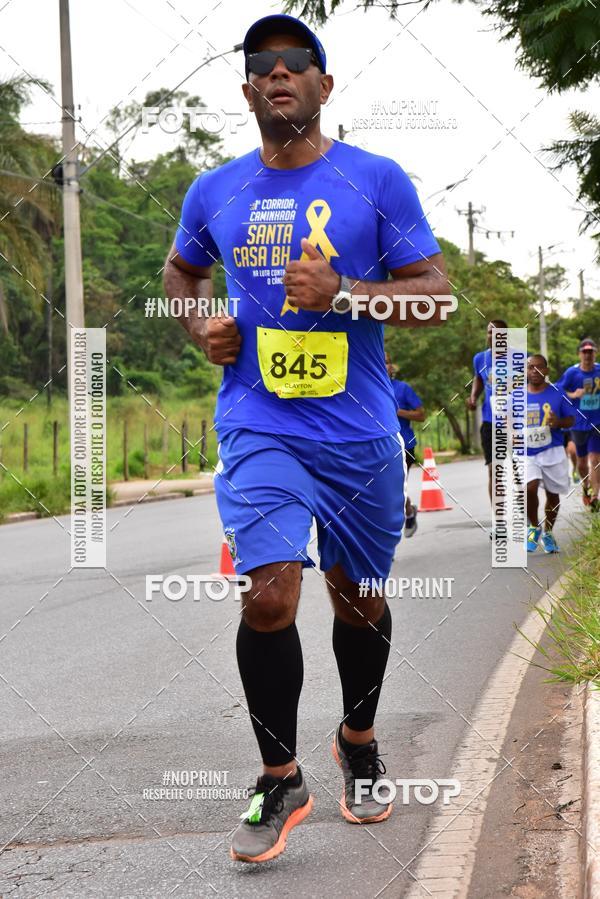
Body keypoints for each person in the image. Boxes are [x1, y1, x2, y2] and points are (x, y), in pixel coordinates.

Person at [163, 13, 451, 864]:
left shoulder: (378, 180)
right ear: (247, 89)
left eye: (299, 62)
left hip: (359, 432)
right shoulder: (213, 190)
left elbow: (435, 295)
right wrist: (198, 322)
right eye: (263, 63)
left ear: (325, 86)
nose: (280, 72)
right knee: (270, 594)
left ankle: (358, 739)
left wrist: (347, 294)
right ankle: (280, 773)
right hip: (260, 421)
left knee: (358, 597)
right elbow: (183, 270)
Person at [526, 354, 575, 552]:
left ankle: (548, 532)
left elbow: (571, 419)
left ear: (546, 370)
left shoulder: (558, 392)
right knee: (529, 488)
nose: (534, 371)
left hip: (553, 449)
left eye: (539, 367)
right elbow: (507, 421)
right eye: (530, 367)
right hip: (527, 452)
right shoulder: (517, 395)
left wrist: (558, 423)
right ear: (526, 371)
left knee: (552, 494)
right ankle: (533, 526)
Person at [467, 319, 508, 505]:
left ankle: (524, 518)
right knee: (494, 470)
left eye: (496, 332)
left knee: (519, 472)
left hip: (515, 422)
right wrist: (474, 396)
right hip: (490, 421)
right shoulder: (480, 359)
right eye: (489, 332)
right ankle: (498, 519)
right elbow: (478, 379)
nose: (491, 336)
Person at [557, 338, 600, 511]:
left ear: (595, 353)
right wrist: (574, 395)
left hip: (597, 423)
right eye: (585, 352)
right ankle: (586, 486)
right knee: (582, 462)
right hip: (578, 424)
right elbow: (558, 391)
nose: (588, 355)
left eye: (591, 352)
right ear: (579, 354)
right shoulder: (572, 373)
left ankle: (595, 497)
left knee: (595, 459)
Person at [385, 353, 425, 537]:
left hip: (404, 444)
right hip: (377, 446)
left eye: (386, 362)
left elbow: (420, 415)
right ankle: (408, 512)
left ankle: (407, 513)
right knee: (384, 491)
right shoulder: (368, 390)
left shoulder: (403, 388)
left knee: (395, 488)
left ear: (392, 367)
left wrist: (398, 411)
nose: (383, 365)